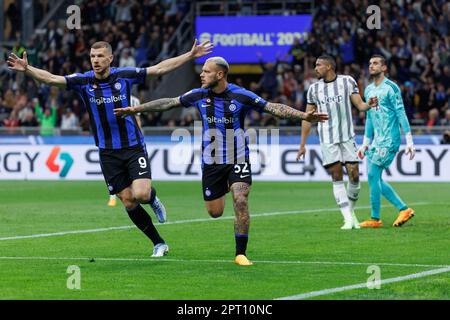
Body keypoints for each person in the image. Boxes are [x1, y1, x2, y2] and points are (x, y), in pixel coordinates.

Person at [114, 56, 328, 266]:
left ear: (220, 74)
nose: (202, 74)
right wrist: (136, 109)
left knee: (241, 199)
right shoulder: (198, 95)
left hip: (238, 157)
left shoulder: (240, 95)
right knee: (215, 212)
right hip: (212, 161)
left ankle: (240, 253)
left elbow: (272, 107)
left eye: (206, 71)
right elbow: (169, 103)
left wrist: (303, 115)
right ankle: (226, 185)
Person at [7, 39, 213, 257]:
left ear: (110, 58)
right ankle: (158, 243)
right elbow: (51, 79)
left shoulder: (124, 75)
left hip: (133, 146)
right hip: (107, 152)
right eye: (92, 57)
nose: (95, 61)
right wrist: (28, 69)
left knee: (141, 194)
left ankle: (153, 198)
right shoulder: (84, 81)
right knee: (127, 200)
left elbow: (159, 68)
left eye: (100, 56)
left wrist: (190, 56)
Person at [296, 55, 378, 230]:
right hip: (327, 138)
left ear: (329, 66)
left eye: (318, 65)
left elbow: (359, 105)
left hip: (347, 136)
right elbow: (306, 118)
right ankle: (347, 219)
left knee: (354, 175)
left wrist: (368, 104)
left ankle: (351, 212)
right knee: (336, 175)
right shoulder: (313, 89)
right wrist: (302, 144)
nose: (315, 68)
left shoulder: (347, 81)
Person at [358, 55, 416, 228]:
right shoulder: (368, 90)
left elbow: (401, 113)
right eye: (369, 63)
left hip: (390, 139)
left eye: (375, 63)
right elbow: (369, 117)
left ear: (384, 68)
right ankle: (403, 209)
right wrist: (365, 143)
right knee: (375, 179)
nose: (371, 66)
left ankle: (375, 219)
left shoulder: (391, 88)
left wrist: (409, 140)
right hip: (376, 141)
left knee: (372, 175)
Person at [108, 95, 142, 207]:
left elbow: (137, 119)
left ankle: (139, 194)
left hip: (130, 143)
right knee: (114, 173)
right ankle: (112, 196)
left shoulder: (133, 100)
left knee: (131, 173)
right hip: (110, 142)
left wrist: (140, 137)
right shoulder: (103, 97)